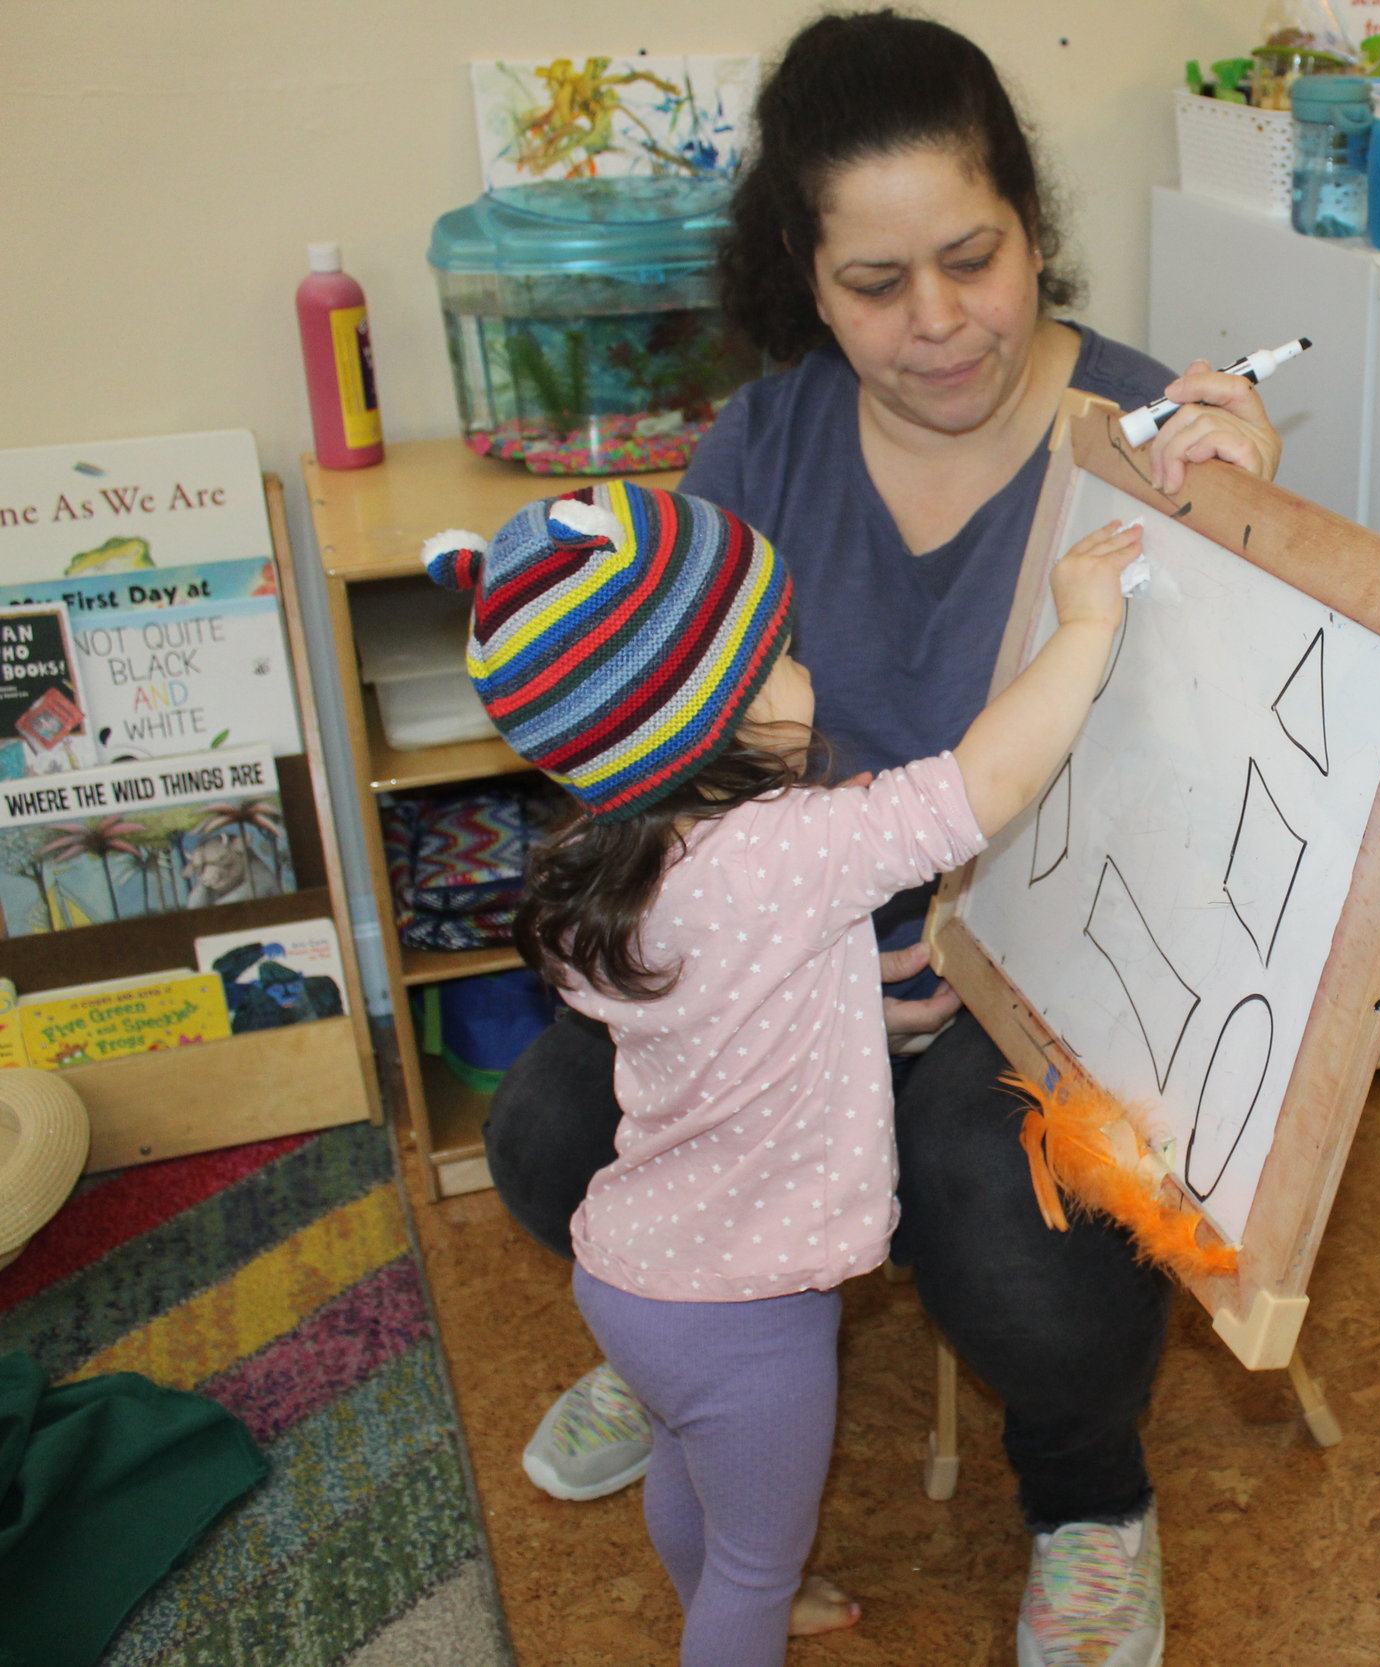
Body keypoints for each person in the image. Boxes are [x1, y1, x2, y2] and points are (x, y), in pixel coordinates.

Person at [483, 12, 1280, 1667]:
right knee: (554, 1122)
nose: (937, 327)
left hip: (1038, 993)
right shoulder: (762, 442)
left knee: (1027, 1230)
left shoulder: (1143, 442)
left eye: (973, 260)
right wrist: (796, 958)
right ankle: (687, 1342)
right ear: (803, 268)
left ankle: (1087, 1497)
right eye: (873, 284)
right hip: (785, 965)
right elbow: (647, 756)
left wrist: (1254, 529)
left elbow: (1241, 784)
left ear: (1035, 228)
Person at [436, 480, 1140, 1666]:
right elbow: (986, 783)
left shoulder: (597, 873)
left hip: (631, 1276)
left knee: (691, 1471)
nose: (805, 670)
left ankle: (718, 1584)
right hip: (745, 1308)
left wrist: (833, 998)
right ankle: (739, 1608)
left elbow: (715, 994)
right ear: (722, 713)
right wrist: (1085, 627)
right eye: (781, 653)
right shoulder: (798, 849)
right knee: (758, 1568)